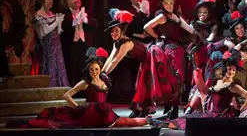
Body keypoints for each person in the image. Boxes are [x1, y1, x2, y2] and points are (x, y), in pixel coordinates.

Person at [5, 47, 149, 128]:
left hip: (104, 111)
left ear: (100, 69)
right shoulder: (85, 82)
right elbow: (67, 95)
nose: (94, 72)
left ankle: (152, 121)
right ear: (88, 70)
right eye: (91, 70)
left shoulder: (104, 79)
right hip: (91, 112)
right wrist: (78, 107)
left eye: (96, 69)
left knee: (126, 122)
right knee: (123, 123)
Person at [102, 8, 180, 118]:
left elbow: (116, 61)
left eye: (116, 30)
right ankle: (142, 109)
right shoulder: (117, 43)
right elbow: (110, 58)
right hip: (146, 59)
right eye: (112, 31)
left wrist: (104, 74)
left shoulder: (126, 43)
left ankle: (173, 108)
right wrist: (102, 73)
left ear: (122, 30)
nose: (114, 33)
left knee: (163, 83)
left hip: (153, 55)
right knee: (143, 85)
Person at [144, 0, 198, 116]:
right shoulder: (162, 16)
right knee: (170, 78)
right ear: (162, 3)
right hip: (168, 49)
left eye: (171, 3)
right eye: (166, 3)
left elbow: (190, 29)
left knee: (178, 78)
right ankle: (169, 106)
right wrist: (158, 37)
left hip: (178, 49)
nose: (169, 6)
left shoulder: (175, 15)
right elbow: (146, 27)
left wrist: (200, 36)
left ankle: (173, 107)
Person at [32, 0, 68, 87]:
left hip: (56, 45)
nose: (51, 1)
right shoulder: (38, 15)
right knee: (49, 66)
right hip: (47, 46)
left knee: (58, 66)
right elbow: (45, 32)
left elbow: (59, 31)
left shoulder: (52, 14)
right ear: (42, 1)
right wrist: (57, 21)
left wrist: (60, 23)